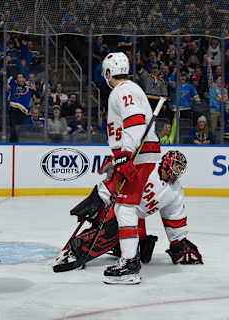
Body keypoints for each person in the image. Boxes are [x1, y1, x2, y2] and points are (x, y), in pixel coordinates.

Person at [63, 52, 162, 284]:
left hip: (139, 155)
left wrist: (125, 155)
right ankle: (134, 253)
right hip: (138, 154)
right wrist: (117, 158)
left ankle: (129, 265)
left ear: (108, 73)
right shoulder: (131, 89)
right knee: (127, 206)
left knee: (125, 207)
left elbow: (135, 123)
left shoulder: (123, 91)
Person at [54, 150, 203, 272]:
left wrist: (178, 242)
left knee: (144, 254)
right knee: (108, 232)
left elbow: (174, 218)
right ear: (168, 163)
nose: (179, 170)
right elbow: (118, 181)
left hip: (137, 218)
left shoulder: (175, 192)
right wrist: (99, 197)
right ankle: (76, 251)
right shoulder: (147, 167)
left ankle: (119, 247)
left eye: (181, 168)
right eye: (177, 166)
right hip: (120, 206)